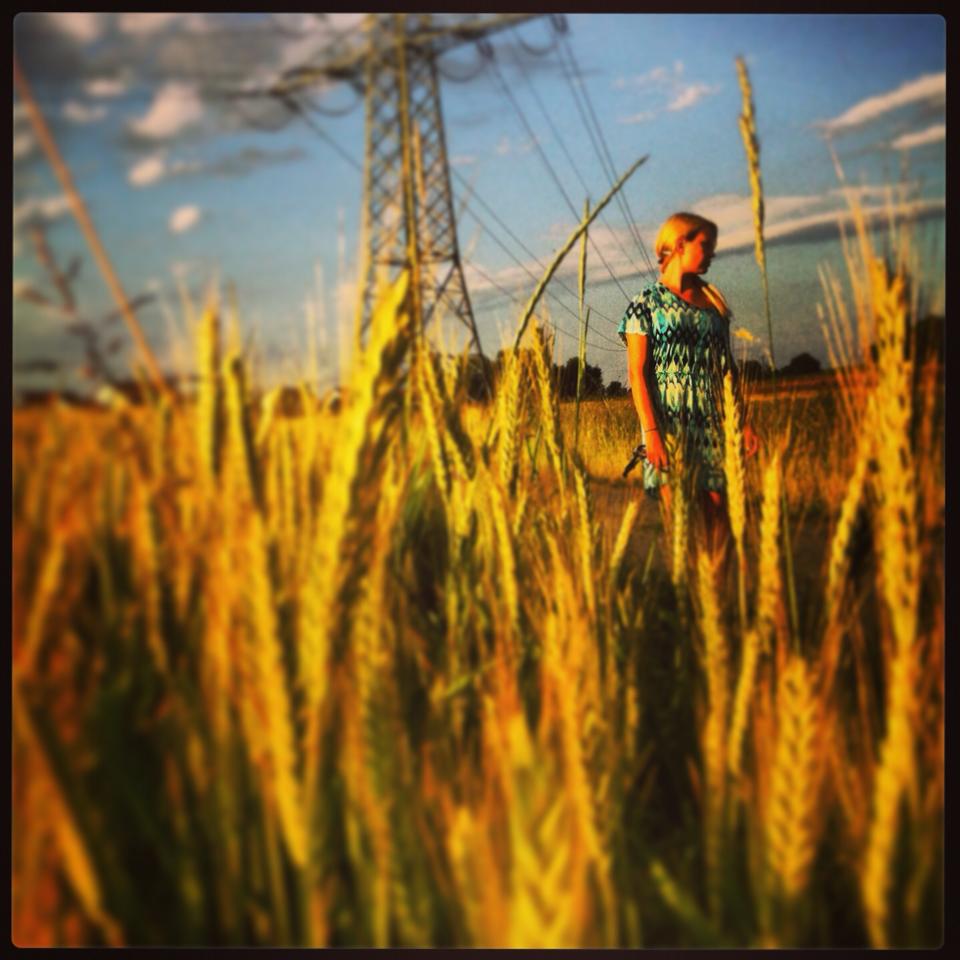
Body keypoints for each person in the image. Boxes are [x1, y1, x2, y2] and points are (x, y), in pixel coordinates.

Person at [619, 212, 759, 552]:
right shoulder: (645, 304)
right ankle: (691, 597)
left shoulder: (714, 305)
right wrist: (651, 433)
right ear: (681, 243)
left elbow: (727, 371)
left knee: (720, 518)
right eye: (705, 246)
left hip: (713, 422)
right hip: (667, 425)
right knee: (681, 525)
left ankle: (719, 595)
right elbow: (637, 373)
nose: (711, 254)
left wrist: (742, 423)